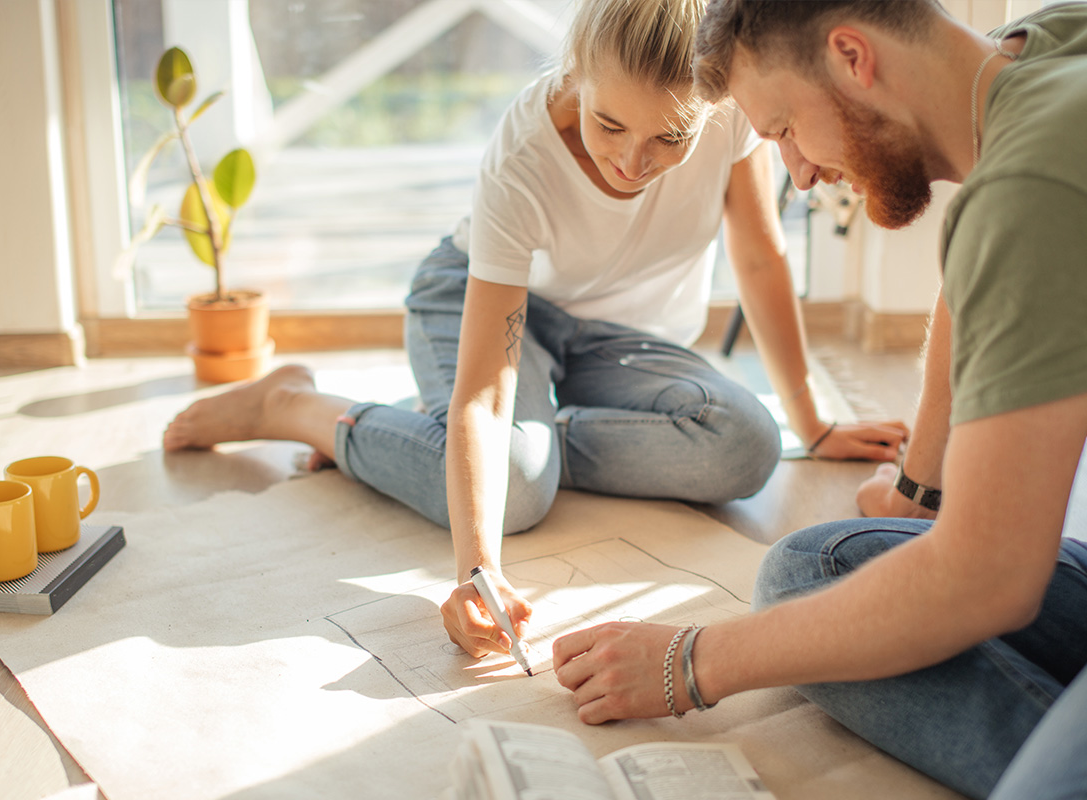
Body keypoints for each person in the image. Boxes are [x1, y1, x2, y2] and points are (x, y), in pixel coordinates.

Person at [163, 0, 905, 662]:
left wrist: (811, 419)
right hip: (477, 297)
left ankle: (520, 435)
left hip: (613, 337)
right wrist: (475, 570)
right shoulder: (523, 155)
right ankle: (295, 407)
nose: (631, 160)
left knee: (748, 445)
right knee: (514, 491)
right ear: (577, 74)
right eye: (610, 123)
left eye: (669, 138)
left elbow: (759, 253)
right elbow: (486, 394)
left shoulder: (733, 109)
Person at [551, 2, 1087, 799]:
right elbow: (969, 283)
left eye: (784, 129)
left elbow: (988, 578)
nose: (798, 173)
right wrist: (916, 491)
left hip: (997, 574)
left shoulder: (1028, 186)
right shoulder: (1043, 49)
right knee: (814, 572)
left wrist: (689, 663)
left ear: (850, 56)